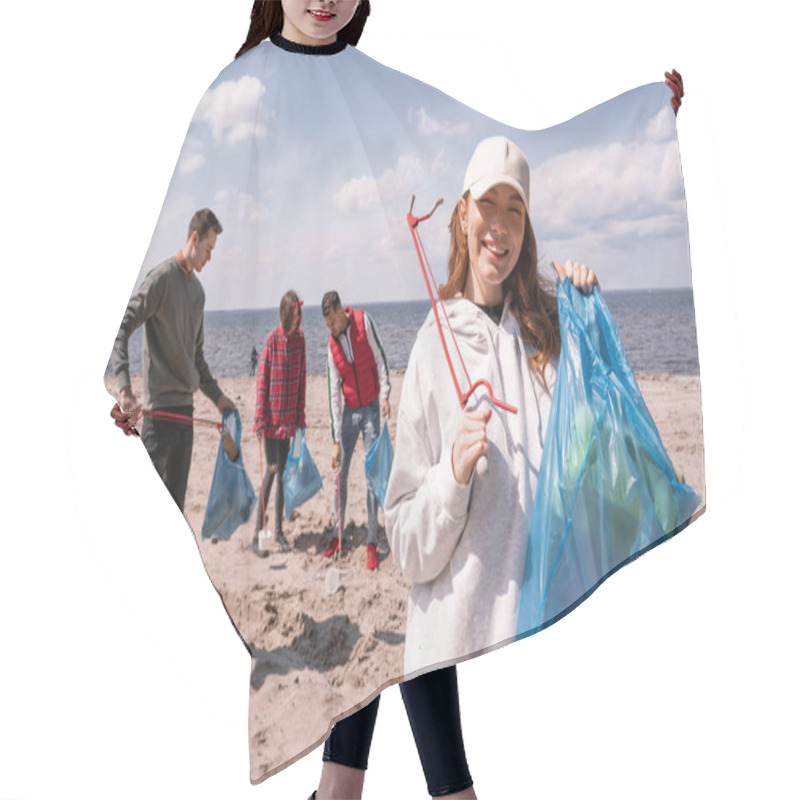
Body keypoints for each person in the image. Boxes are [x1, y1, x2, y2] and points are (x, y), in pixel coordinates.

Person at [385, 136, 599, 676]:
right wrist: (450, 478)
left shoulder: (550, 340)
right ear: (461, 214)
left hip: (540, 653)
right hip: (453, 661)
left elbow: (593, 468)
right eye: (487, 204)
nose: (499, 226)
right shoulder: (434, 346)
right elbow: (407, 548)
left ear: (526, 231)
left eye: (515, 210)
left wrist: (587, 323)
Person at [110, 208, 236, 512]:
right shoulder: (161, 279)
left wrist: (219, 399)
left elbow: (198, 359)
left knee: (175, 509)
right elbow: (120, 328)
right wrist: (124, 387)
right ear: (194, 238)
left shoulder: (199, 294)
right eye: (208, 248)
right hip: (157, 417)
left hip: (186, 415)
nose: (209, 257)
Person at [321, 290, 390, 573]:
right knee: (341, 474)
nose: (332, 329)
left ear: (341, 311)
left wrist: (385, 395)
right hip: (349, 413)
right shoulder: (331, 345)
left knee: (372, 475)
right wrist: (336, 440)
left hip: (372, 407)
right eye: (327, 325)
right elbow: (332, 395)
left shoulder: (364, 322)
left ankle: (372, 541)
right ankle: (339, 536)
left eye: (333, 323)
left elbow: (380, 359)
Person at [252, 290, 306, 555]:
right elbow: (262, 381)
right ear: (286, 314)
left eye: (299, 316)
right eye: (294, 316)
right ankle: (256, 535)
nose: (297, 321)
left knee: (283, 477)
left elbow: (302, 381)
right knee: (272, 473)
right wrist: (259, 420)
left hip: (289, 423)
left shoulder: (301, 340)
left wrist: (301, 417)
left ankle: (279, 533)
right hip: (271, 423)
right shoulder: (272, 340)